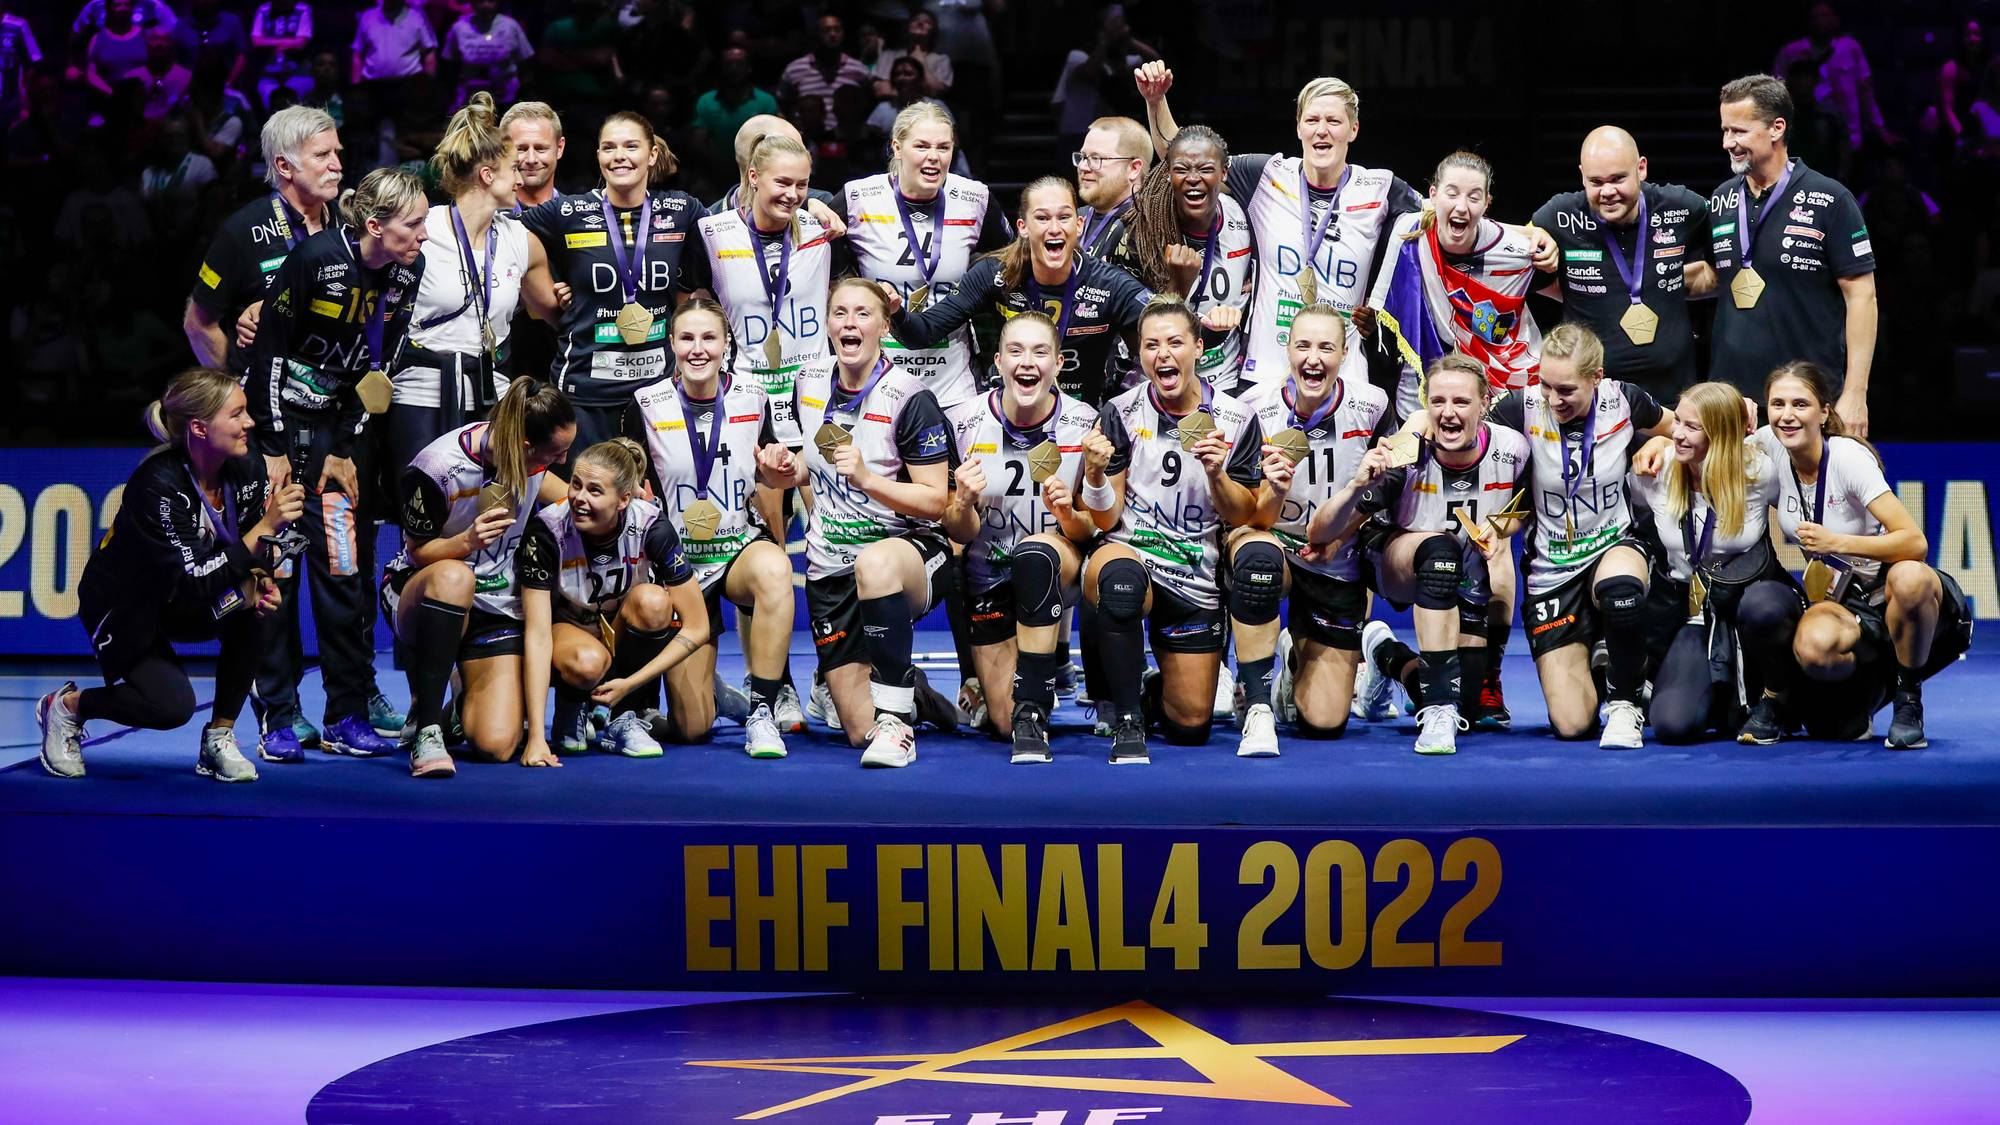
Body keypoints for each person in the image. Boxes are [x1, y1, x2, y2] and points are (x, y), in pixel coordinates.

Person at [37, 369, 303, 781]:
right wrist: (266, 527)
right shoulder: (157, 484)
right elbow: (194, 577)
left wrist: (261, 578)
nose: (250, 423)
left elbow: (246, 550)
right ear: (200, 428)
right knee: (170, 707)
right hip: (127, 605)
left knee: (252, 604)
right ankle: (68, 707)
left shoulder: (246, 467)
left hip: (184, 601)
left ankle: (219, 736)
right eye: (237, 414)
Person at [246, 166, 428, 763]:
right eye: (414, 224)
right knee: (277, 577)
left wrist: (345, 447)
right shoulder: (315, 259)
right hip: (280, 431)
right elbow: (269, 356)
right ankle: (278, 716)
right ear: (374, 225)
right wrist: (273, 446)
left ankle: (345, 715)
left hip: (340, 438)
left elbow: (381, 369)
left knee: (345, 577)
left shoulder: (408, 270)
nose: (424, 235)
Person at [1434, 323, 1673, 748]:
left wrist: (1663, 445)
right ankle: (1605, 665)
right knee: (1572, 725)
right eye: (1545, 385)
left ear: (1597, 377)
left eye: (1566, 390)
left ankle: (1625, 704)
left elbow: (1685, 427)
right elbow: (1463, 425)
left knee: (1620, 588)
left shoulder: (1624, 400)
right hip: (1551, 569)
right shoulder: (1522, 408)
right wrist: (1499, 529)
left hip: (1613, 545)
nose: (1553, 399)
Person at [1135, 65, 1425, 392]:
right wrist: (1156, 101)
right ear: (1299, 127)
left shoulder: (1381, 188)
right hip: (1266, 372)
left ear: (1353, 129)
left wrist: (1382, 308)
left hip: (1344, 375)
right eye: (1312, 120)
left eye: (1333, 121)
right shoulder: (1267, 174)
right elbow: (1186, 157)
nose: (1322, 130)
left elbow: (1439, 217)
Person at [762, 277, 955, 767]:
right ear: (828, 324)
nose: (850, 323)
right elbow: (809, 466)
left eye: (863, 314)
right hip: (832, 567)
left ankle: (898, 724)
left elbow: (936, 501)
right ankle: (913, 694)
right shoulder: (808, 382)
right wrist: (784, 471)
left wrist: (869, 479)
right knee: (855, 731)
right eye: (840, 313)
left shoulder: (909, 397)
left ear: (884, 327)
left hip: (907, 555)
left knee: (875, 563)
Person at [1080, 296, 1265, 763]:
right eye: (1151, 345)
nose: (1163, 354)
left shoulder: (1237, 418)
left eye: (1175, 342)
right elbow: (1105, 519)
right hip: (1132, 553)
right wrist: (1096, 476)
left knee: (1191, 725)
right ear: (1140, 355)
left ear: (1198, 348)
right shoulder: (1120, 411)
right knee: (1120, 583)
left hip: (1194, 570)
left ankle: (1148, 688)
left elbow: (1243, 514)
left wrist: (1217, 473)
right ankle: (1127, 720)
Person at [1318, 354, 1528, 754]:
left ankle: (1388, 656)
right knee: (1441, 555)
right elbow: (1359, 508)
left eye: (1461, 402)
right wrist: (1326, 543)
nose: (1448, 412)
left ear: (1485, 403)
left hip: (1465, 571)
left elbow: (1525, 507)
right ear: (1425, 403)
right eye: (1438, 401)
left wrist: (1501, 528)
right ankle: (1437, 710)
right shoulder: (1409, 444)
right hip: (1396, 555)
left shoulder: (1513, 449)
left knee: (1467, 701)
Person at [1755, 361, 1970, 748]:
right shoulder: (1770, 444)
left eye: (1800, 404)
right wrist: (1657, 442)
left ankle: (1908, 699)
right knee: (1814, 651)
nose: (1787, 415)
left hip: (1890, 590)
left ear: (1824, 412)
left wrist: (1837, 543)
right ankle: (1871, 685)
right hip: (1842, 598)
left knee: (1910, 577)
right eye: (1777, 404)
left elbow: (1914, 541)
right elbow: (1699, 434)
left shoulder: (1847, 458)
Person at [631, 299, 803, 752]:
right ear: (671, 343)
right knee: (691, 730)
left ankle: (762, 709)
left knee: (775, 569)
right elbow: (629, 482)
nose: (698, 349)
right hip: (677, 566)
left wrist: (778, 469)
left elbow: (768, 473)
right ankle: (715, 695)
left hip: (736, 548)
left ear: (726, 344)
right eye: (687, 338)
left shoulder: (753, 396)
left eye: (709, 338)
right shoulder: (646, 404)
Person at [385, 378, 576, 775]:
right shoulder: (437, 468)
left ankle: (456, 699)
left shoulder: (532, 463)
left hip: (495, 606)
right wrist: (467, 542)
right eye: (557, 452)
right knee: (456, 579)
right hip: (424, 594)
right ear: (526, 446)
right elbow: (418, 553)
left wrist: (623, 500)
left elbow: (567, 497)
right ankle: (427, 729)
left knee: (496, 745)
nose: (562, 460)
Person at [942, 312, 1101, 762]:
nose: (1027, 362)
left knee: (1038, 556)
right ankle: (933, 698)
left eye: (1039, 352)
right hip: (990, 576)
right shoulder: (964, 421)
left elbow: (1093, 529)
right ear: (998, 362)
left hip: (1056, 572)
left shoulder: (1085, 423)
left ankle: (1082, 682)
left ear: (1058, 364)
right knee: (1002, 723)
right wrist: (963, 503)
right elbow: (956, 530)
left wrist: (1068, 512)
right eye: (1015, 351)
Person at [1231, 304, 1389, 743]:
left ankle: (1292, 656)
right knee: (1257, 563)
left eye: (1326, 348)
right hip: (1273, 542)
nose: (1313, 358)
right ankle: (1257, 698)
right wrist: (1272, 493)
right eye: (1303, 346)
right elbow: (1240, 511)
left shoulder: (1372, 405)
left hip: (1335, 557)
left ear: (1344, 353)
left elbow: (1383, 492)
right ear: (1287, 349)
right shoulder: (1253, 407)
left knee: (1324, 722)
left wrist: (1338, 538)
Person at [391, 92, 559, 476]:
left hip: (491, 395)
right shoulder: (424, 230)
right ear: (488, 175)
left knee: (488, 503)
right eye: (513, 169)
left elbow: (557, 316)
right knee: (422, 504)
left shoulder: (522, 241)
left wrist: (568, 297)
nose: (521, 179)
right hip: (420, 393)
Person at [519, 111, 705, 454]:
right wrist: (551, 285)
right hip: (585, 392)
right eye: (609, 147)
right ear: (599, 156)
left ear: (651, 154)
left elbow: (736, 224)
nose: (619, 155)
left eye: (631, 146)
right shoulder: (568, 212)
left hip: (659, 391)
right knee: (589, 485)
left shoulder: (681, 209)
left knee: (649, 488)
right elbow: (506, 232)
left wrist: (811, 199)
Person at [518, 437, 708, 763]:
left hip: (621, 629)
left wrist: (630, 685)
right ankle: (572, 701)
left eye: (594, 491)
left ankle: (625, 715)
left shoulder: (652, 526)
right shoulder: (546, 530)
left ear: (623, 500)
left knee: (654, 603)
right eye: (576, 484)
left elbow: (698, 626)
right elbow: (536, 634)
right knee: (587, 662)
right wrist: (536, 737)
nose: (579, 498)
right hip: (568, 631)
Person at [891, 176, 1154, 408]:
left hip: (1082, 420)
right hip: (1007, 414)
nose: (1054, 228)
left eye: (1064, 217)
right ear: (1023, 227)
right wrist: (895, 311)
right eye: (1042, 218)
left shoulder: (1108, 283)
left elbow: (1165, 319)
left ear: (1079, 225)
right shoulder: (994, 273)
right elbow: (922, 333)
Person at [1709, 73, 1877, 434]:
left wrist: (1855, 392)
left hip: (1807, 400)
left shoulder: (1831, 199)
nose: (1728, 142)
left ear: (1777, 128)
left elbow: (1862, 296)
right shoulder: (1721, 198)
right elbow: (1712, 278)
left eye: (1739, 131)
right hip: (1734, 403)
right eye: (1725, 130)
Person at [1626, 382, 1791, 746]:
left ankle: (1771, 695)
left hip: (1749, 612)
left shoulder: (1759, 471)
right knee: (1672, 725)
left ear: (1720, 435)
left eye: (1692, 427)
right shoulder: (1657, 469)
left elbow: (1803, 507)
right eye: (1677, 422)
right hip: (1693, 616)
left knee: (1765, 607)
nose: (1677, 434)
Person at [841, 99, 1012, 410]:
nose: (934, 157)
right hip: (879, 375)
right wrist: (815, 204)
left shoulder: (974, 199)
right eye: (921, 146)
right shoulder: (859, 198)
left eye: (943, 147)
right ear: (897, 147)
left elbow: (1009, 261)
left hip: (954, 380)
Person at [1531, 127, 1716, 400]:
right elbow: (1507, 238)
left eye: (1618, 179)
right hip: (1593, 400)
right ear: (1582, 176)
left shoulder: (1681, 207)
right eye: (1596, 182)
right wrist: (1534, 235)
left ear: (1641, 168)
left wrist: (1673, 282)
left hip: (1675, 395)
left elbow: (1725, 258)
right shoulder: (1560, 215)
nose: (1608, 191)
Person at [1369, 150, 1543, 421]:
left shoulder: (1520, 252)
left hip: (1499, 390)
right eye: (1452, 193)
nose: (1461, 207)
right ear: (1433, 195)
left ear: (1486, 203)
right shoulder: (1408, 234)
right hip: (1420, 394)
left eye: (1474, 197)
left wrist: (1542, 237)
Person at [690, 132, 836, 424]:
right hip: (743, 396)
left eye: (802, 185)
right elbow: (690, 308)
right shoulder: (711, 234)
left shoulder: (824, 229)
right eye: (782, 182)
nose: (792, 194)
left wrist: (815, 203)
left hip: (814, 394)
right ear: (753, 176)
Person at [185, 105, 342, 376]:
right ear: (284, 166)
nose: (336, 166)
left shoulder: (348, 222)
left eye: (336, 153)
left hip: (330, 389)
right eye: (321, 155)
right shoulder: (241, 230)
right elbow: (198, 325)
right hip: (263, 394)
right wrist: (232, 388)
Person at [1122, 124, 1254, 389]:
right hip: (1154, 382)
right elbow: (1134, 336)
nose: (1193, 178)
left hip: (1221, 380)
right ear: (1168, 174)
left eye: (1205, 169)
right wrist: (1178, 286)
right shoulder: (1142, 233)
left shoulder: (1243, 214)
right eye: (1181, 169)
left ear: (1223, 173)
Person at [1773, 3, 1893, 156]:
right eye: (1815, 17)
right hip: (1805, 134)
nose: (1820, 21)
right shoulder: (1792, 51)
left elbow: (1865, 90)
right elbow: (1777, 93)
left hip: (1848, 133)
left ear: (1835, 20)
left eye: (1824, 16)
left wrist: (1879, 129)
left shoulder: (1850, 48)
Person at [1072, 114, 1151, 277]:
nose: (1083, 166)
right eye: (1083, 157)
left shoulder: (1148, 226)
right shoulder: (1074, 218)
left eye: (1096, 158)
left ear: (1134, 168)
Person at [692, 46, 778, 176]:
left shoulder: (766, 101)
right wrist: (718, 165)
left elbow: (773, 142)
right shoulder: (706, 101)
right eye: (729, 64)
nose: (734, 69)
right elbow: (698, 142)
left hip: (756, 173)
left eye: (740, 64)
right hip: (715, 173)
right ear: (721, 68)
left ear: (748, 68)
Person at [779, 13, 871, 133]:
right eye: (826, 30)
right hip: (805, 138)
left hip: (846, 138)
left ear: (843, 34)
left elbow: (868, 106)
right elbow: (783, 106)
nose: (832, 34)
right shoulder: (795, 69)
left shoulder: (858, 70)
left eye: (837, 30)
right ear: (816, 35)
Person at [443, 0, 534, 108]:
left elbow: (524, 63)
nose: (486, 5)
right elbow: (449, 67)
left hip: (506, 99)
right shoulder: (459, 27)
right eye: (480, 1)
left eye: (490, 1)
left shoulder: (510, 26)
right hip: (469, 100)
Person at [871, 9, 952, 99]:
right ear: (908, 26)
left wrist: (921, 61)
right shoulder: (888, 56)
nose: (920, 23)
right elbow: (881, 89)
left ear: (933, 30)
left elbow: (936, 92)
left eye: (927, 22)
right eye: (915, 20)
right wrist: (920, 92)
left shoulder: (941, 60)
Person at [250, 0, 314, 111]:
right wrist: (288, 43)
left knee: (296, 110)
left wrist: (268, 42)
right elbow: (256, 41)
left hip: (298, 72)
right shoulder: (263, 10)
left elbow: (301, 42)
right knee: (270, 110)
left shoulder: (303, 9)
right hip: (269, 73)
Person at [502, 99, 564, 209]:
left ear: (559, 148)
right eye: (521, 149)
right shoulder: (484, 217)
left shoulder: (578, 216)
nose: (531, 160)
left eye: (541, 149)